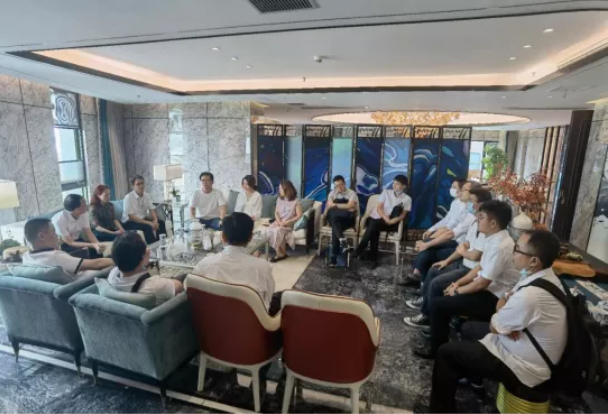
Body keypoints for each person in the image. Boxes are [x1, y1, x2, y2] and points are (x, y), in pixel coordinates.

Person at [415, 230, 566, 413]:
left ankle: (440, 410)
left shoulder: (531, 295)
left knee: (446, 353)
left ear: (534, 261)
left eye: (518, 250)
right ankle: (473, 379)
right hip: (522, 342)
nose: (513, 254)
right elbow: (505, 298)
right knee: (469, 328)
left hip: (525, 366)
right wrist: (505, 314)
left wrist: (502, 318)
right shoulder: (542, 277)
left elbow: (495, 324)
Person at [414, 200, 520, 358]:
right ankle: (439, 335)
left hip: (496, 298)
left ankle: (437, 350)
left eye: (481, 217)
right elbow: (479, 268)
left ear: (493, 223)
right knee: (443, 291)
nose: (477, 220)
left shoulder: (500, 246)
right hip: (487, 288)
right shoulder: (494, 238)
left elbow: (482, 283)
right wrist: (457, 284)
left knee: (439, 304)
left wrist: (457, 291)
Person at [404, 188, 492, 329]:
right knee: (435, 268)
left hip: (470, 268)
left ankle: (427, 315)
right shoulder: (473, 219)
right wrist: (446, 260)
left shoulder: (483, 226)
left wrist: (461, 251)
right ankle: (425, 298)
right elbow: (457, 235)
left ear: (482, 204)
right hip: (463, 259)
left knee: (435, 278)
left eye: (472, 200)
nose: (469, 203)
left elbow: (474, 254)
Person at [193, 212, 280, 314]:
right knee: (281, 297)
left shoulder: (204, 265)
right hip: (251, 322)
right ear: (250, 237)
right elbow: (268, 299)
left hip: (214, 320)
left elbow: (196, 296)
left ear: (223, 237)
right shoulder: (262, 267)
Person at [406, 181, 481, 285]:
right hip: (455, 241)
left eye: (464, 190)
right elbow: (447, 221)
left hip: (458, 244)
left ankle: (419, 280)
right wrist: (430, 234)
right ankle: (420, 281)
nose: (460, 192)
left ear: (473, 194)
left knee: (427, 251)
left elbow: (450, 232)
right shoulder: (459, 205)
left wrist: (428, 242)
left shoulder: (473, 215)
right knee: (426, 247)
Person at [22, 218, 114, 281]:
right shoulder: (55, 257)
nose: (57, 236)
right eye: (53, 231)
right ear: (42, 236)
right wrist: (119, 260)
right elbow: (97, 264)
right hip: (90, 283)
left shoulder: (26, 257)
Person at [107, 231, 183, 306]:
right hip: (166, 309)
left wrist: (145, 259)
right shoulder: (154, 285)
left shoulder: (112, 275)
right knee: (185, 277)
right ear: (143, 256)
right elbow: (179, 286)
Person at [353, 175, 411, 269]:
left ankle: (360, 251)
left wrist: (394, 220)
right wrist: (386, 218)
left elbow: (403, 215)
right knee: (374, 226)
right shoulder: (386, 192)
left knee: (373, 227)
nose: (394, 185)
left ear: (403, 186)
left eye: (397, 184)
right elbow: (379, 208)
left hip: (391, 223)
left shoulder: (407, 199)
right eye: (393, 183)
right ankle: (372, 259)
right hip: (379, 218)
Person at [324, 175, 358, 267]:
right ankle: (343, 242)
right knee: (334, 220)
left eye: (341, 185)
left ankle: (333, 259)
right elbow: (329, 206)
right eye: (336, 186)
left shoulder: (351, 193)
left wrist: (335, 205)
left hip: (347, 220)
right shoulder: (332, 194)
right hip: (336, 220)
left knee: (335, 226)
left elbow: (350, 205)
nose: (339, 187)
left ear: (344, 183)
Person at [421, 178, 468, 242]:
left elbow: (450, 226)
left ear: (461, 190)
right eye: (451, 187)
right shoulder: (455, 202)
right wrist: (430, 230)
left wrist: (429, 240)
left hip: (456, 240)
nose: (451, 189)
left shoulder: (462, 205)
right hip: (448, 236)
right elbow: (446, 219)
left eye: (454, 187)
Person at [122, 175, 166, 244]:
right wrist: (149, 223)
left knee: (161, 223)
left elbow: (151, 209)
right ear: (133, 186)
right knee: (148, 227)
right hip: (129, 223)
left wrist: (155, 220)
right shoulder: (128, 198)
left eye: (142, 183)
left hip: (142, 220)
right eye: (138, 184)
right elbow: (131, 217)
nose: (141, 186)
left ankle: (162, 244)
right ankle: (153, 247)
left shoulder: (146, 195)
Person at [267, 180, 303, 263]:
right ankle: (280, 253)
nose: (279, 190)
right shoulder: (279, 199)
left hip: (288, 224)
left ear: (287, 190)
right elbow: (276, 213)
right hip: (278, 222)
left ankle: (280, 254)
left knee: (277, 231)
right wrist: (279, 222)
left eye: (281, 189)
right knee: (269, 230)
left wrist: (287, 222)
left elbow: (299, 215)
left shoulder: (296, 201)